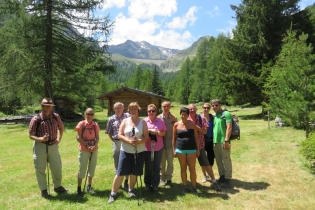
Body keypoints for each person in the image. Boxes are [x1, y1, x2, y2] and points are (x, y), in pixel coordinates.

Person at [108, 102, 149, 204]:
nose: (133, 111)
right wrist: (129, 141)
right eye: (131, 109)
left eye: (135, 109)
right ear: (129, 111)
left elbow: (146, 136)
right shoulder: (125, 121)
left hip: (139, 151)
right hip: (125, 150)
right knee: (120, 172)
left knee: (134, 172)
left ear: (138, 110)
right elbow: (120, 135)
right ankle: (113, 193)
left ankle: (131, 190)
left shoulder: (143, 122)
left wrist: (139, 141)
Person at [29, 97, 67, 198]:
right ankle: (44, 190)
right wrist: (41, 138)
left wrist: (59, 138)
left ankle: (57, 186)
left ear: (51, 107)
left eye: (49, 106)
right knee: (40, 168)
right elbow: (31, 135)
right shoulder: (36, 119)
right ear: (42, 106)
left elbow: (61, 127)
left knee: (57, 167)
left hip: (53, 145)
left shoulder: (56, 117)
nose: (48, 108)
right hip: (40, 146)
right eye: (46, 106)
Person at [188, 104, 220, 191]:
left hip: (201, 145)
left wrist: (195, 126)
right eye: (190, 109)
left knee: (206, 163)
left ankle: (214, 181)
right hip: (189, 147)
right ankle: (192, 184)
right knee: (191, 166)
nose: (192, 110)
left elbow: (205, 131)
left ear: (196, 109)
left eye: (194, 109)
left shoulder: (201, 118)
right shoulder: (186, 119)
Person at [173, 107, 200, 194]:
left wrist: (198, 149)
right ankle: (185, 186)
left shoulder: (192, 124)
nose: (183, 116)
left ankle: (194, 186)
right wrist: (174, 150)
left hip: (191, 149)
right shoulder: (176, 125)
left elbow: (196, 137)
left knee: (192, 169)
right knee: (183, 168)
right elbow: (174, 139)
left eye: (185, 114)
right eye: (182, 114)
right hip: (180, 150)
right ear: (180, 114)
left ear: (188, 115)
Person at [75, 108, 100, 195]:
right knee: (82, 167)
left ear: (94, 115)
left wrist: (95, 145)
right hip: (84, 149)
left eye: (91, 114)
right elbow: (78, 137)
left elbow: (97, 137)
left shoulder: (95, 124)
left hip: (94, 149)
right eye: (88, 114)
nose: (89, 116)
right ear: (85, 114)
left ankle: (89, 186)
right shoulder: (81, 124)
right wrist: (87, 145)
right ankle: (79, 188)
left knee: (92, 168)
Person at [106, 102, 130, 190]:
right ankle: (118, 181)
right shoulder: (111, 119)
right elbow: (108, 132)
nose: (118, 109)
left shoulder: (128, 116)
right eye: (117, 108)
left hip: (127, 141)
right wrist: (114, 141)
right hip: (117, 141)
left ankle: (126, 181)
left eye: (120, 107)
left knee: (127, 161)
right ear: (114, 109)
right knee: (117, 161)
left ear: (123, 108)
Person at [144, 104, 167, 191]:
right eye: (149, 111)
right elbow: (141, 132)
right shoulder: (144, 121)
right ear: (147, 112)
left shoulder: (160, 121)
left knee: (157, 166)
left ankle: (155, 184)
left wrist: (157, 132)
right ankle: (147, 184)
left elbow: (164, 132)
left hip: (158, 148)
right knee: (148, 167)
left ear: (156, 112)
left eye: (153, 111)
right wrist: (149, 130)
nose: (151, 112)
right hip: (147, 148)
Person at [211, 99, 233, 187]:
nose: (214, 107)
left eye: (216, 105)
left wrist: (226, 140)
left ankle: (227, 179)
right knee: (219, 161)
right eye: (213, 105)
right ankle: (222, 177)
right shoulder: (215, 115)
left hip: (223, 141)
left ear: (220, 105)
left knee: (226, 160)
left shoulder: (226, 114)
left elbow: (229, 127)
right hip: (215, 142)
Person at [158, 101, 177, 186]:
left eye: (167, 106)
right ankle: (162, 179)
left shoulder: (174, 118)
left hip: (170, 143)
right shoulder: (158, 118)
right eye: (164, 106)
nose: (166, 108)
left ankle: (169, 178)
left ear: (170, 107)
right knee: (162, 163)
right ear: (162, 107)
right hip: (160, 144)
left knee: (170, 162)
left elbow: (177, 131)